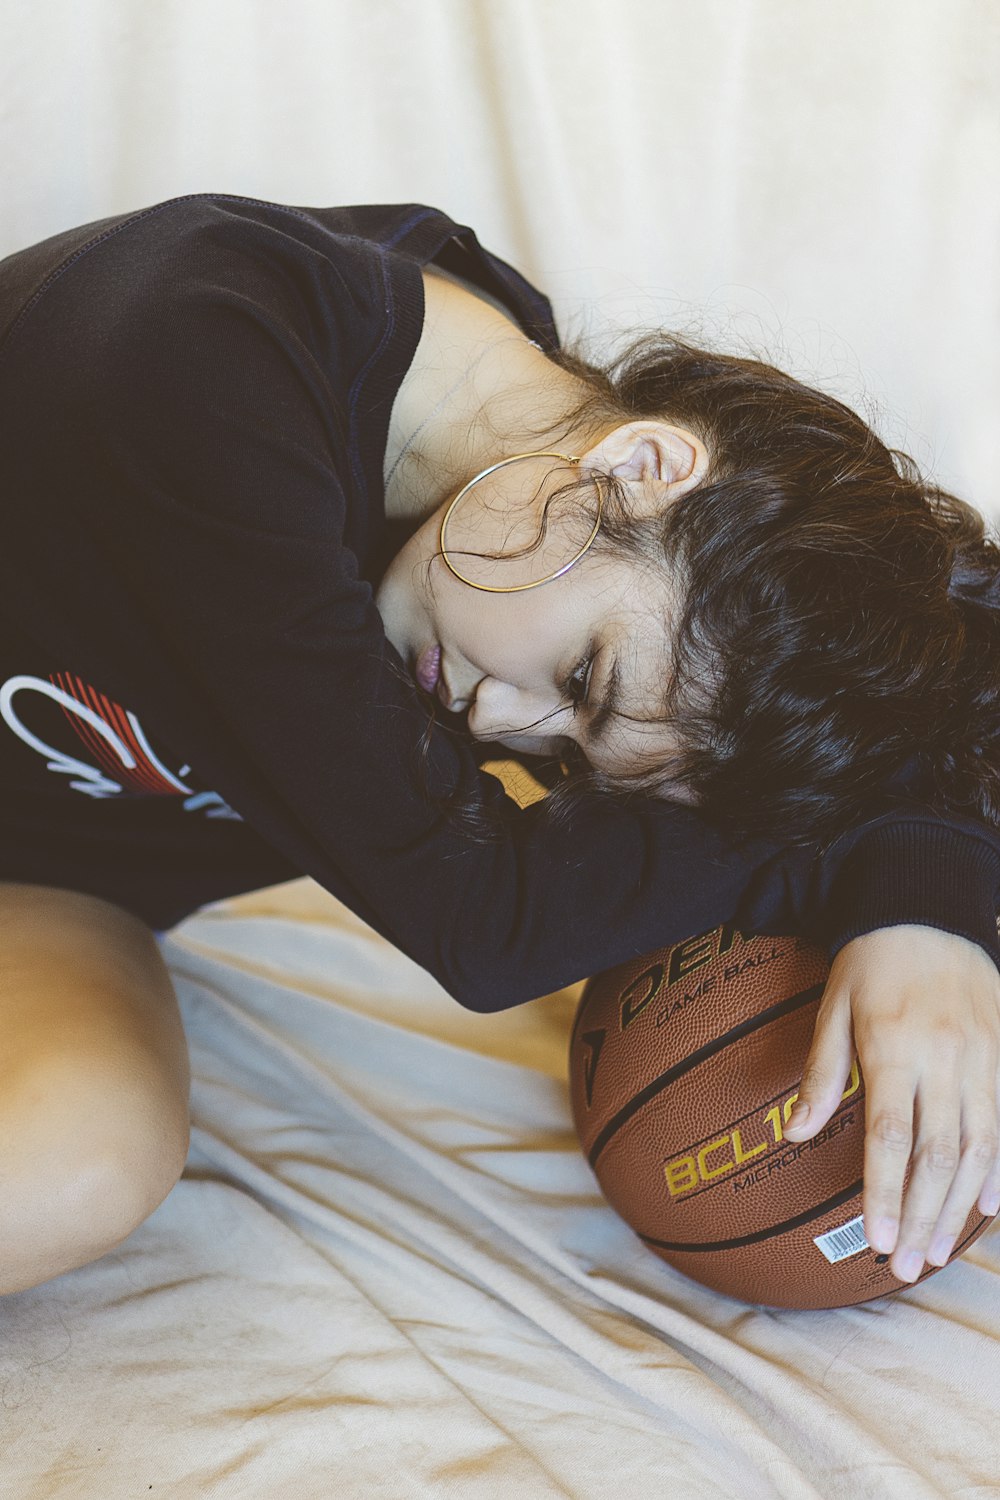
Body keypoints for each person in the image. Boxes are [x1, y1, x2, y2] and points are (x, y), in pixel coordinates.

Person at [1, 194, 998, 1300]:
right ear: (646, 465)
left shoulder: (524, 517)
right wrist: (909, 873)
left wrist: (915, 890)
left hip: (46, 877)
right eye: (582, 681)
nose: (497, 728)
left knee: (80, 1164)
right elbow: (484, 919)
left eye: (570, 753)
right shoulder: (191, 362)